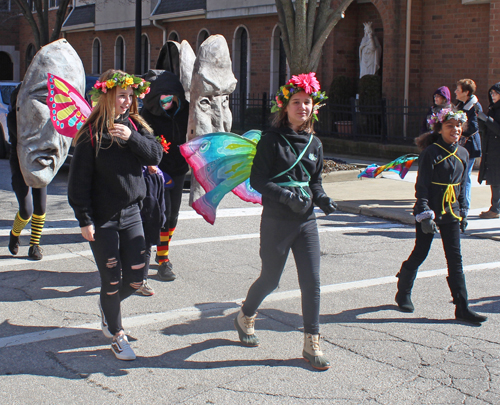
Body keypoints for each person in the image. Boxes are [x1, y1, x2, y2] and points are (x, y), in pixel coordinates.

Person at [234, 72, 336, 371]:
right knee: (271, 279)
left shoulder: (315, 143)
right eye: (296, 102)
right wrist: (286, 197)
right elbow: (258, 180)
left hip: (306, 221)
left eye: (307, 102)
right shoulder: (271, 140)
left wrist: (323, 199)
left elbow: (314, 182)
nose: (302, 107)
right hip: (278, 220)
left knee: (312, 283)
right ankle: (245, 315)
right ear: (285, 106)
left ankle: (311, 341)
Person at [68, 69, 163, 360]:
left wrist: (131, 137)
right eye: (122, 95)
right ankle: (117, 332)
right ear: (107, 96)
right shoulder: (90, 134)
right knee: (110, 279)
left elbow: (156, 155)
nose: (127, 101)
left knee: (136, 278)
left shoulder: (136, 125)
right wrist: (84, 220)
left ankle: (108, 308)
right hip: (103, 219)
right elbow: (78, 183)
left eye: (130, 96)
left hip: (133, 214)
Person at [395, 108, 487, 325]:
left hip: (451, 210)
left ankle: (462, 307)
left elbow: (463, 185)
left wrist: (463, 211)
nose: (455, 130)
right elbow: (422, 186)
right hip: (431, 210)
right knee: (421, 252)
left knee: (455, 259)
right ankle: (403, 290)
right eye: (449, 126)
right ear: (440, 128)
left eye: (458, 126)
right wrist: (425, 214)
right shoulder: (431, 152)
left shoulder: (463, 153)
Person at [141, 70, 189, 281]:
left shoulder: (186, 111)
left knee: (173, 215)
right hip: (156, 171)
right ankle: (162, 260)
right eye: (162, 98)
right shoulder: (147, 115)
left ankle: (162, 252)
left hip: (178, 168)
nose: (167, 101)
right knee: (161, 214)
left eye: (171, 97)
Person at [7, 84, 46, 260]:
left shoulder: (42, 117)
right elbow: (26, 139)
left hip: (40, 164)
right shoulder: (12, 117)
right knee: (27, 210)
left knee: (40, 208)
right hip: (21, 165)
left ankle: (34, 246)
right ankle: (14, 235)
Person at [136, 165, 166, 296]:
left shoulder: (155, 172)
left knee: (146, 244)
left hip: (150, 195)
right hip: (132, 194)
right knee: (127, 243)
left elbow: (161, 182)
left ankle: (142, 280)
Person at [455, 79, 482, 209]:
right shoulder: (460, 104)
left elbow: (474, 128)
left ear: (466, 92)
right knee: (459, 175)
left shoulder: (474, 106)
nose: (455, 92)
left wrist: (460, 129)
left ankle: (464, 206)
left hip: (469, 146)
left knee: (465, 177)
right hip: (460, 146)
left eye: (458, 90)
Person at [477, 83, 500, 219]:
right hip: (491, 149)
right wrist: (481, 119)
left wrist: (487, 119)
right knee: (494, 180)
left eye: (495, 93)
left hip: (498, 150)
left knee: (497, 180)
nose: (492, 96)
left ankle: (495, 209)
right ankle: (495, 207)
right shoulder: (493, 108)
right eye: (491, 93)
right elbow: (486, 128)